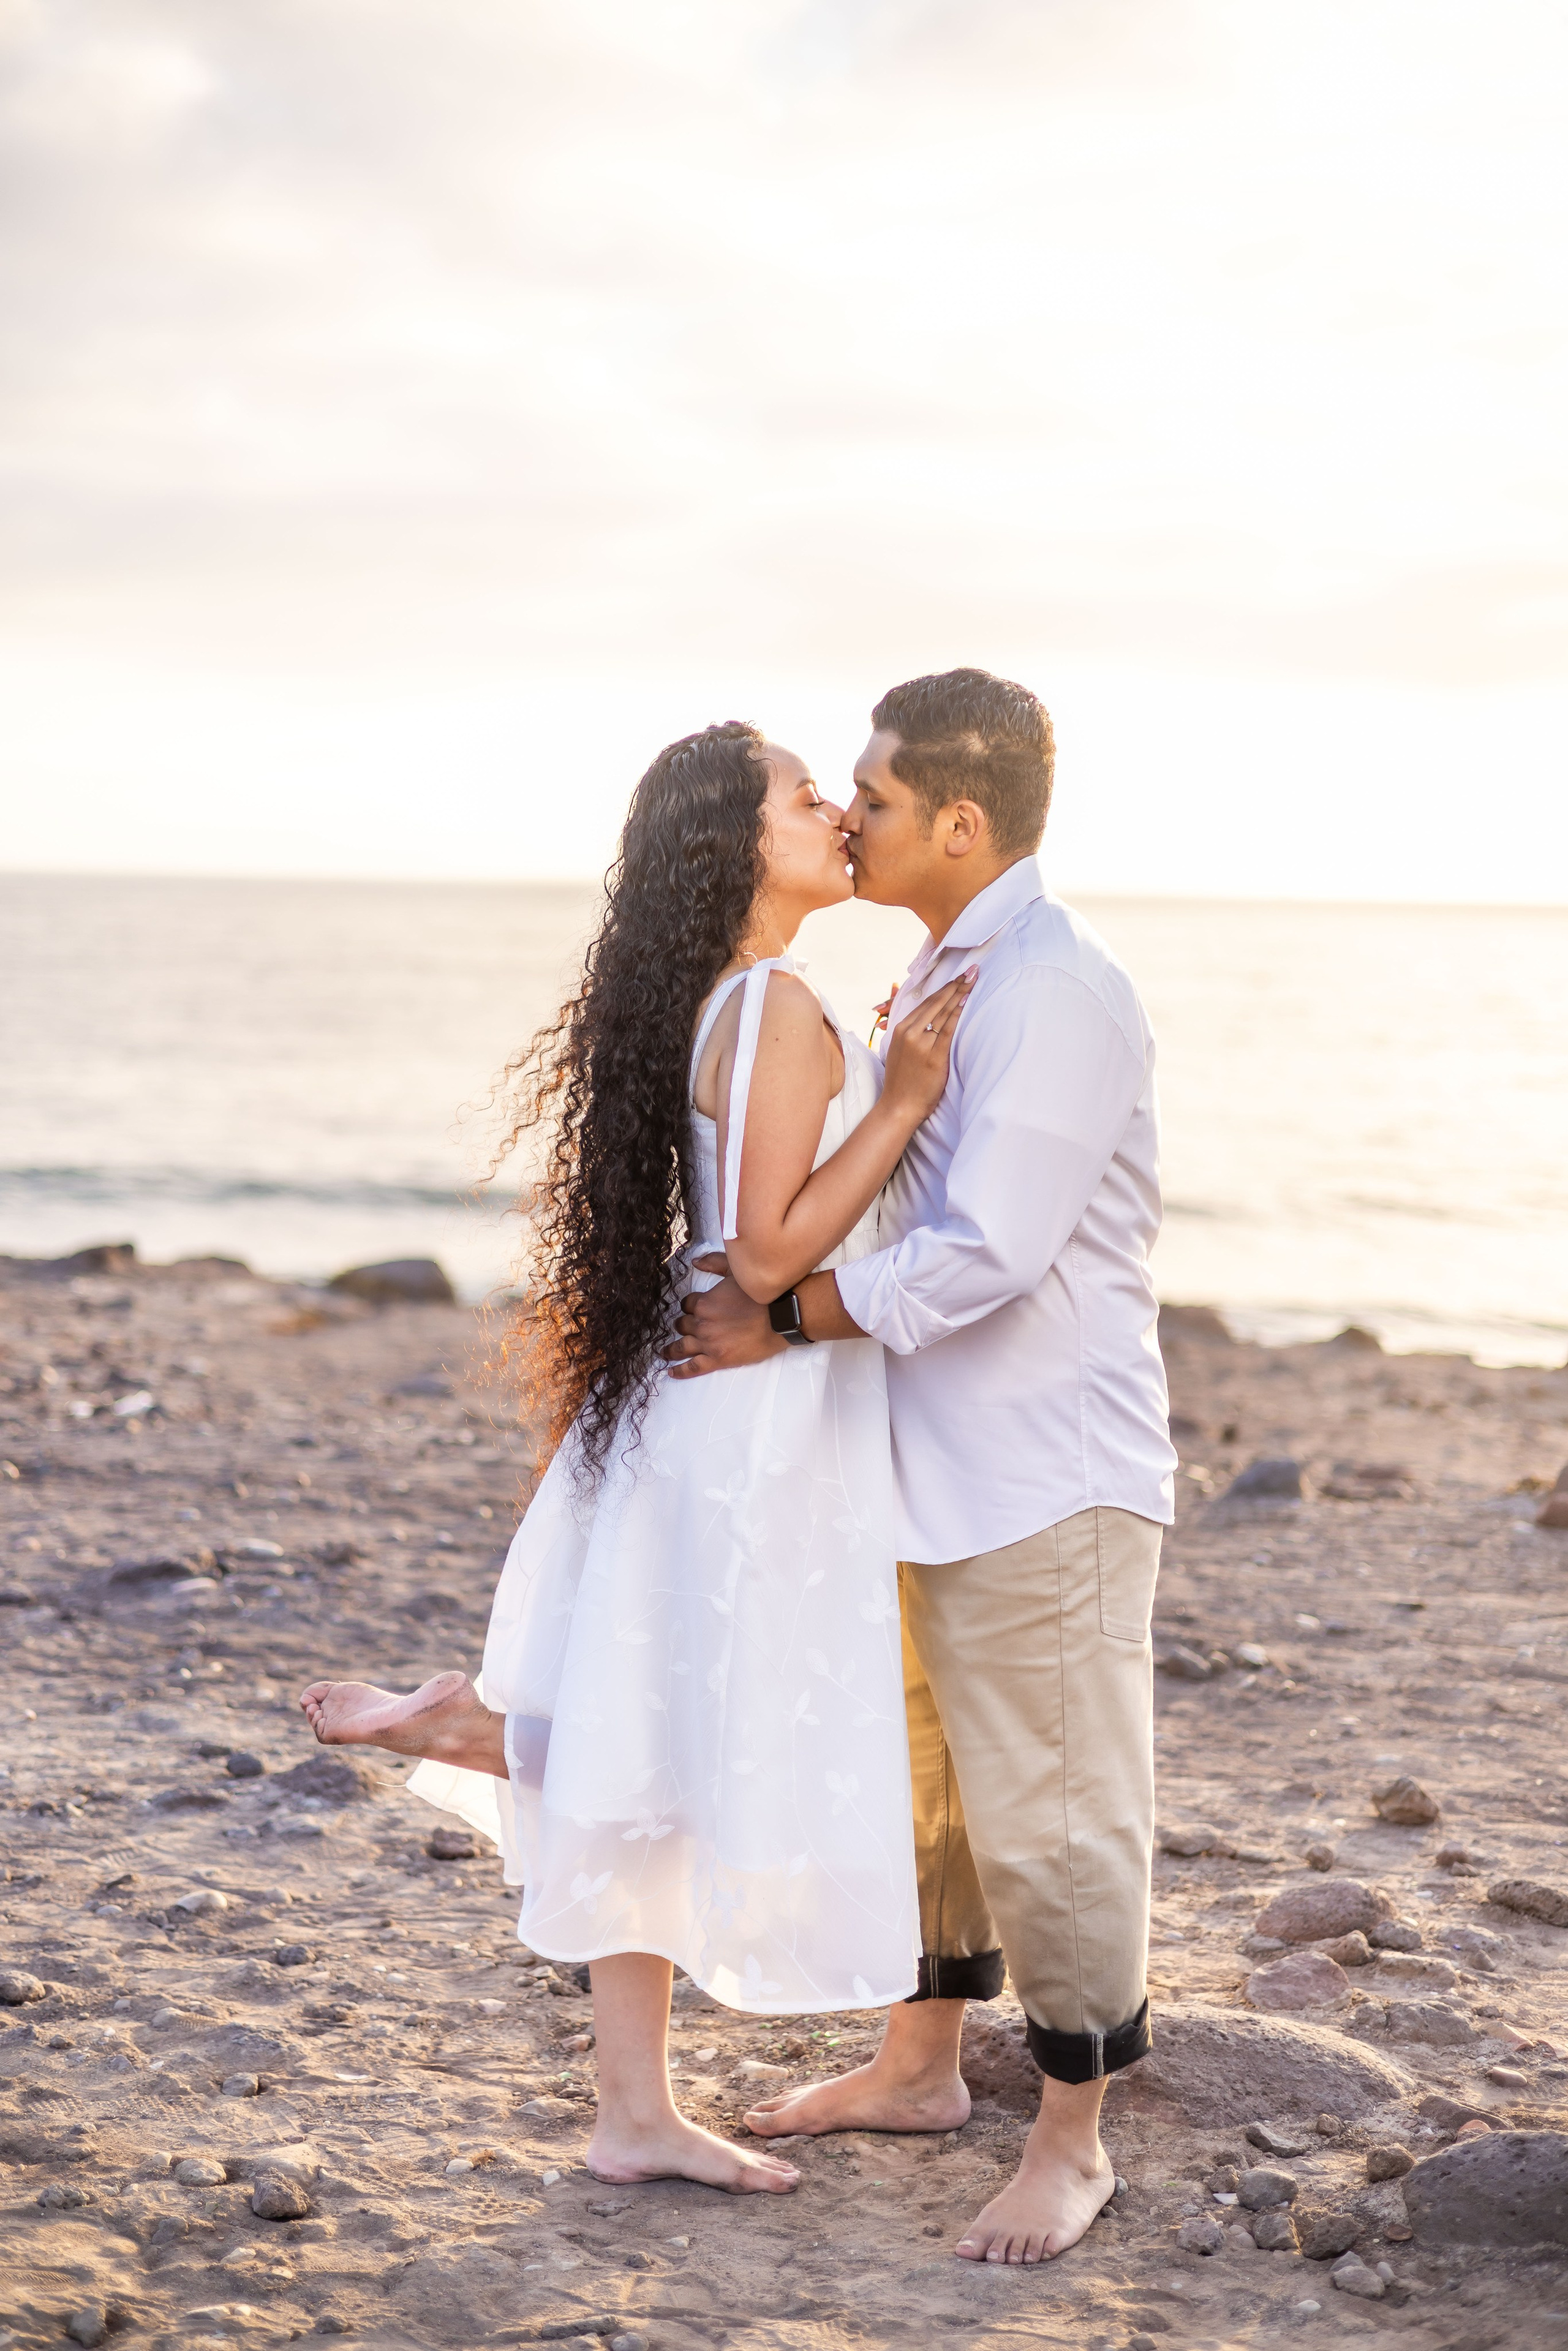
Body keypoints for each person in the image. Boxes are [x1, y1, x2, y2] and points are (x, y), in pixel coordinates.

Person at [299, 720, 973, 2197]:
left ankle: (629, 2102)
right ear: (738, 842)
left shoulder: (729, 998)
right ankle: (501, 1733)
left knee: (653, 1742)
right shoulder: (772, 1002)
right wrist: (906, 1098)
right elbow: (770, 1252)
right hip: (751, 1414)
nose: (834, 811)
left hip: (711, 1404)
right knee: (682, 1734)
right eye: (805, 795)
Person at [666, 669, 1177, 2265]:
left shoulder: (1054, 986)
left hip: (1042, 1474)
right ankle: (917, 2067)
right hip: (910, 1458)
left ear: (961, 822)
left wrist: (786, 1315)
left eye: (875, 795)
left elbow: (987, 1253)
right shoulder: (949, 974)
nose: (852, 815)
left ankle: (1073, 2141)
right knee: (932, 1801)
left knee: (1058, 1809)